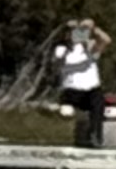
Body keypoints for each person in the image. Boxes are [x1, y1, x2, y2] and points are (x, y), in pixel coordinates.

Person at [46, 15, 110, 149]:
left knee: (98, 101)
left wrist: (93, 29)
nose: (74, 34)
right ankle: (57, 108)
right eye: (71, 31)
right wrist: (69, 45)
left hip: (91, 91)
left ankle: (96, 137)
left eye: (77, 31)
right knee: (67, 108)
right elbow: (57, 63)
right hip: (72, 91)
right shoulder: (61, 50)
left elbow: (106, 40)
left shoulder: (89, 48)